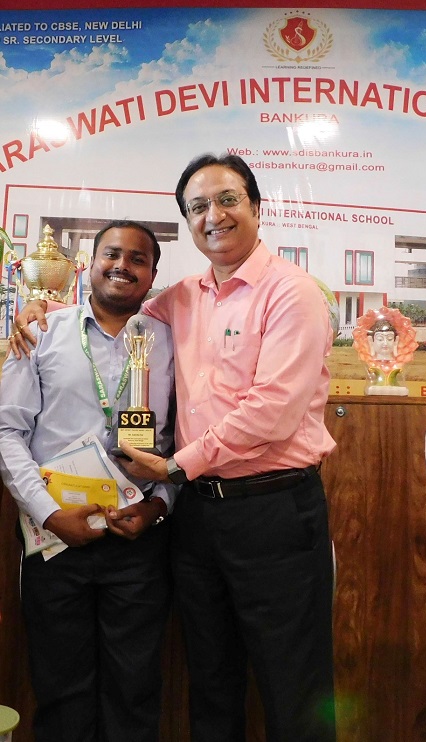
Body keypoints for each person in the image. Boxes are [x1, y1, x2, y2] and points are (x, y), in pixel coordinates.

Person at [11, 154, 338, 742]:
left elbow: (273, 409)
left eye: (227, 200)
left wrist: (173, 471)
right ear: (188, 221)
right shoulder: (181, 298)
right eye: (198, 207)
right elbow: (110, 307)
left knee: (293, 682)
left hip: (271, 511)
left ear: (256, 207)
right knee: (210, 677)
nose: (214, 215)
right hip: (197, 520)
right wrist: (42, 309)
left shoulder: (292, 292)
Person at [0, 220, 176, 742]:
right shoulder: (41, 331)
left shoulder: (170, 342)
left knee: (135, 690)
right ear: (89, 265)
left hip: (138, 537)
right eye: (112, 254)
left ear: (153, 276)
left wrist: (158, 506)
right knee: (62, 690)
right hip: (55, 539)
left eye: (138, 259)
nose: (123, 265)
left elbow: (182, 441)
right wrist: (50, 513)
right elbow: (8, 431)